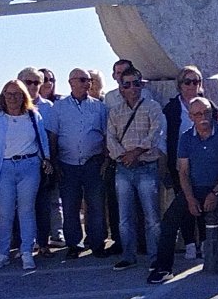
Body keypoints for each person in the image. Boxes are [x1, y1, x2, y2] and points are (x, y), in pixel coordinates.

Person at [150, 97, 218, 287]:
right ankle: (163, 268)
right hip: (195, 188)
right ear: (191, 116)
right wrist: (190, 198)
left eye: (207, 112)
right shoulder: (186, 137)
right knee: (169, 221)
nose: (203, 117)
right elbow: (183, 171)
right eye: (198, 114)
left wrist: (215, 193)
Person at [0, 80, 50, 270]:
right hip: (4, 167)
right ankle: (3, 253)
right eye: (8, 94)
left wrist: (46, 160)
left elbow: (43, 141)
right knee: (5, 213)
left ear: (23, 96)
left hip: (29, 165)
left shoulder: (33, 116)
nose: (12, 98)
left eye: (16, 94)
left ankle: (27, 252)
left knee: (26, 210)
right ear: (3, 96)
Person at [106, 66, 165, 272]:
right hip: (123, 168)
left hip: (146, 166)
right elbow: (110, 138)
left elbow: (156, 132)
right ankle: (128, 256)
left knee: (152, 217)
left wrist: (137, 152)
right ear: (120, 88)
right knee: (124, 217)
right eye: (127, 84)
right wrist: (124, 156)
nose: (132, 88)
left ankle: (156, 257)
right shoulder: (115, 111)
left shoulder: (153, 107)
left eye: (136, 83)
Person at [46, 68, 109, 259]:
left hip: (93, 163)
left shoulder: (99, 107)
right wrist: (54, 163)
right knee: (70, 206)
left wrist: (105, 160)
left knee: (96, 205)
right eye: (82, 80)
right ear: (71, 82)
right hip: (67, 164)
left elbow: (107, 136)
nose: (86, 83)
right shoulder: (58, 107)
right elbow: (53, 137)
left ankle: (97, 243)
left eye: (88, 80)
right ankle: (74, 244)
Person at [162, 66, 215, 259]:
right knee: (184, 202)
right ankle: (190, 243)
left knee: (203, 203)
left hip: (204, 164)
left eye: (196, 82)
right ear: (180, 85)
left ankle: (204, 241)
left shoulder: (210, 107)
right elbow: (165, 137)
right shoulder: (171, 109)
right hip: (179, 163)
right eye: (188, 82)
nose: (192, 85)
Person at [18, 67, 60, 255]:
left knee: (43, 204)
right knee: (22, 206)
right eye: (29, 82)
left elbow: (51, 136)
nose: (34, 86)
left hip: (42, 163)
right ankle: (22, 243)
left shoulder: (48, 107)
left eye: (37, 82)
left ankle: (43, 243)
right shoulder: (11, 106)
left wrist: (50, 160)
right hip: (18, 164)